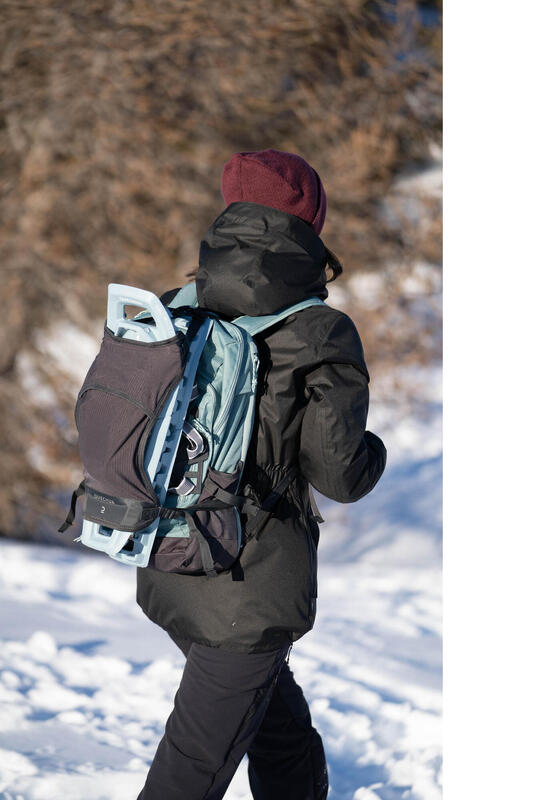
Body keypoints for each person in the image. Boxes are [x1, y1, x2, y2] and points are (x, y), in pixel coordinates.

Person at [135, 149, 387, 800]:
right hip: (247, 590)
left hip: (171, 564)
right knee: (189, 772)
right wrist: (376, 448)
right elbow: (342, 475)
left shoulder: (176, 307)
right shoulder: (320, 332)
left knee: (279, 730)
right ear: (311, 224)